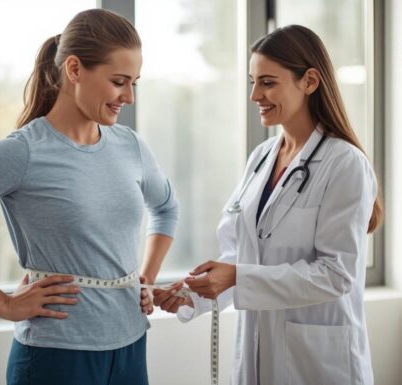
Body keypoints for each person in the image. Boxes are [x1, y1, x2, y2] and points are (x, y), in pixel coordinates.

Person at [0, 8, 179, 385]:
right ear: (74, 69)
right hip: (56, 355)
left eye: (134, 82)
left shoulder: (130, 146)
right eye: (119, 81)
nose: (129, 97)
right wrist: (2, 303)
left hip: (131, 344)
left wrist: (145, 278)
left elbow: (166, 208)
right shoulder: (23, 152)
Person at [154, 24, 382, 385]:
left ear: (309, 81)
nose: (254, 95)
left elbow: (337, 274)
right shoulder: (261, 157)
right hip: (257, 352)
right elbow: (240, 254)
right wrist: (192, 294)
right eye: (252, 82)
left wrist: (237, 277)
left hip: (318, 363)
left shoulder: (345, 163)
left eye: (268, 82)